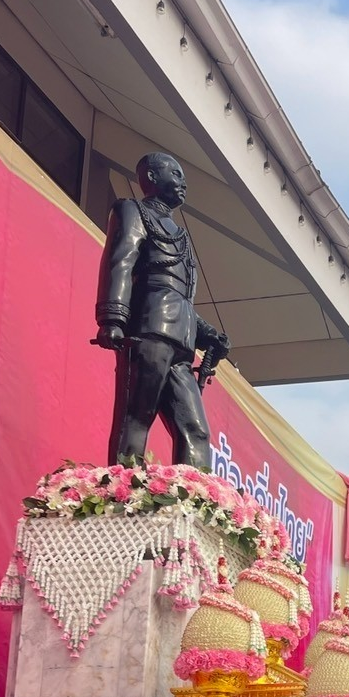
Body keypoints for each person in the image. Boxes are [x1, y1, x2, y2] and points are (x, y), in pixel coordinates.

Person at [95, 151, 229, 469]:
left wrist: (208, 335)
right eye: (176, 174)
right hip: (147, 329)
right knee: (137, 418)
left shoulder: (181, 236)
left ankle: (194, 506)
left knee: (195, 430)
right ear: (152, 177)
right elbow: (121, 262)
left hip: (181, 341)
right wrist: (112, 318)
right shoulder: (131, 210)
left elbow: (179, 296)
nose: (184, 183)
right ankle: (122, 497)